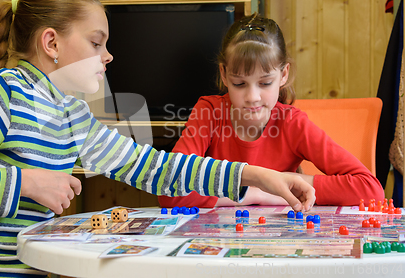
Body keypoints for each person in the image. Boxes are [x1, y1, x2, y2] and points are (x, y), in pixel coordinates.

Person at [0, 0, 314, 277]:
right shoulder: (0, 95)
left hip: (29, 268)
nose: (108, 55)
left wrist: (250, 175)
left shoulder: (71, 114)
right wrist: (25, 183)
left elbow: (155, 169)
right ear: (52, 43)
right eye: (96, 42)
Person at [159, 14, 385, 209]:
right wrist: (256, 193)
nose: (253, 97)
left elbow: (370, 188)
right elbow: (169, 188)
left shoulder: (291, 122)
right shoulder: (209, 112)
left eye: (265, 83)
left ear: (284, 74)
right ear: (224, 74)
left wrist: (289, 181)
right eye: (239, 84)